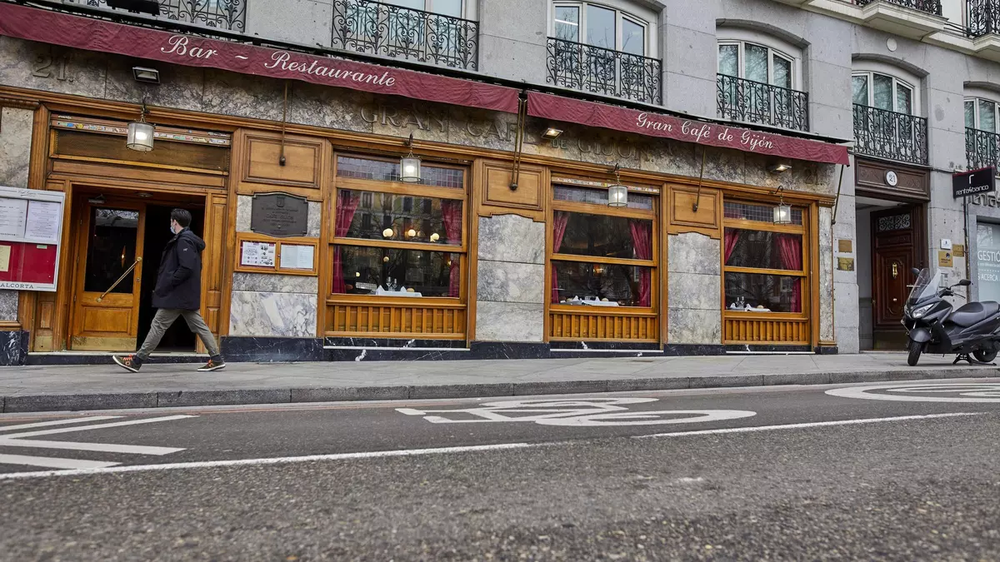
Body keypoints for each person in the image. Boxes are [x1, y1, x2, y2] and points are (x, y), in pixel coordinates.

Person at [114, 209, 226, 373]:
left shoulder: (183, 241)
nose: (171, 224)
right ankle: (216, 359)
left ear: (174, 221)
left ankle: (137, 361)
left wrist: (170, 282)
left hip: (177, 295)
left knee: (158, 325)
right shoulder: (189, 240)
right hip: (185, 295)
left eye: (171, 221)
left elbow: (186, 267)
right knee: (199, 326)